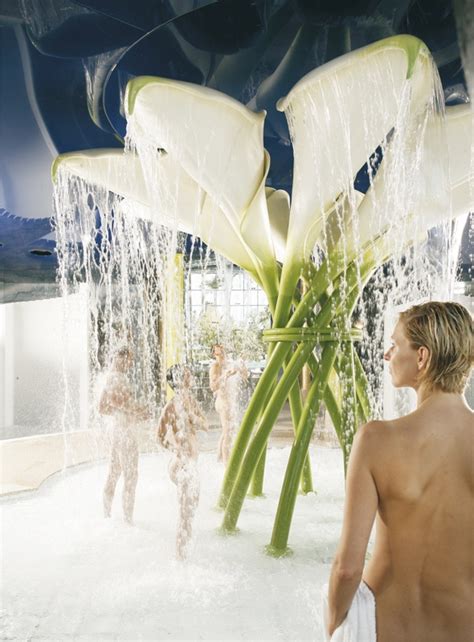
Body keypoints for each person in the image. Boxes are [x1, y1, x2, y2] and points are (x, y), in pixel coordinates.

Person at [324, 301, 473, 642]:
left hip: (384, 630)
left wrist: (334, 625)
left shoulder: (375, 440)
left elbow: (347, 569)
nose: (387, 355)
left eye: (395, 345)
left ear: (422, 357)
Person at [157, 365, 208, 560]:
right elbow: (159, 435)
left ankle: (184, 555)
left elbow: (205, 424)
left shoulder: (191, 401)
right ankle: (180, 561)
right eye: (187, 373)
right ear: (179, 379)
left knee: (191, 512)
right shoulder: (171, 406)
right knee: (185, 515)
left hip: (192, 465)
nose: (191, 374)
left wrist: (195, 419)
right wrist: (175, 449)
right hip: (181, 465)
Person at [99, 346, 149, 525]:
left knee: (114, 472)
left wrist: (124, 413)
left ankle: (106, 515)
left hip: (117, 430)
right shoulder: (117, 378)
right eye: (129, 359)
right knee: (131, 476)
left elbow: (102, 407)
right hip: (125, 433)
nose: (131, 363)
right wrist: (139, 411)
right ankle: (128, 521)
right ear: (120, 358)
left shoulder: (110, 377)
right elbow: (117, 402)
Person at [209, 344, 248, 463]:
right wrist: (226, 375)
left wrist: (242, 367)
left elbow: (245, 377)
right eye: (217, 346)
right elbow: (213, 387)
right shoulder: (215, 366)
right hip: (223, 402)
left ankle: (219, 460)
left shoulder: (230, 363)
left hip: (230, 402)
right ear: (214, 353)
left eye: (222, 344)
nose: (221, 346)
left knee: (226, 431)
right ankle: (227, 466)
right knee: (228, 433)